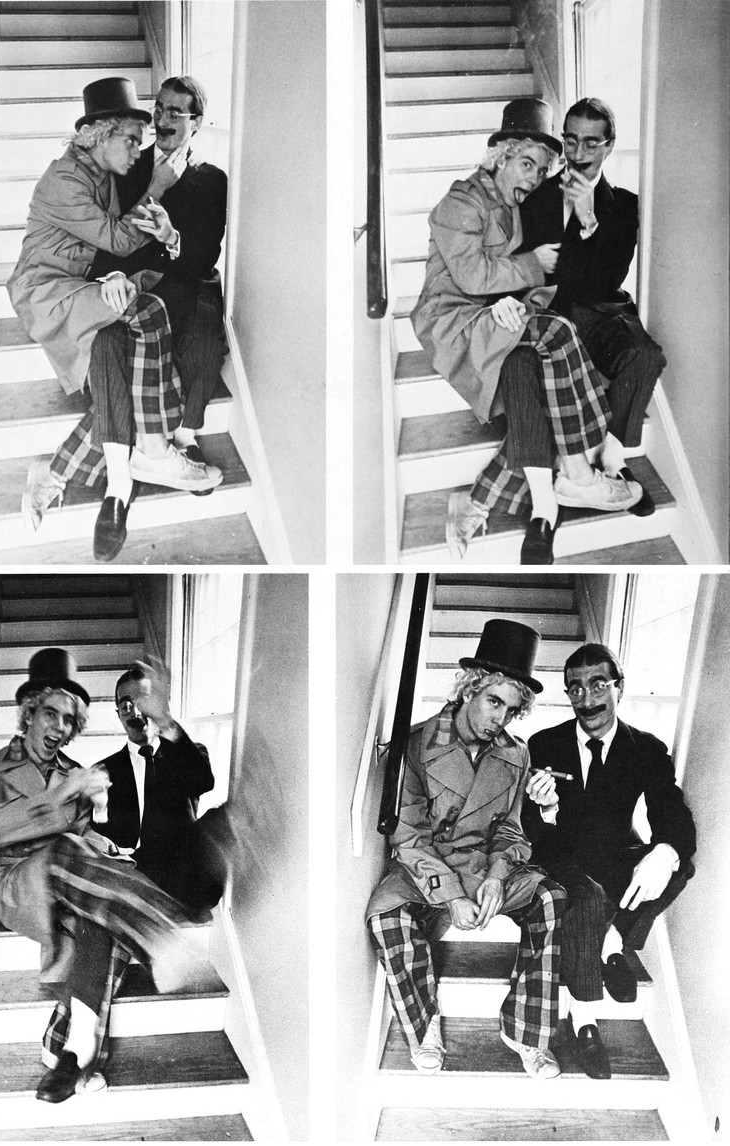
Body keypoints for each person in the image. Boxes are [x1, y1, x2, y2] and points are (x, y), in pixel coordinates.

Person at [411, 98, 642, 567]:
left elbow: (535, 282)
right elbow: (473, 276)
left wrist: (514, 299)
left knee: (538, 375)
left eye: (541, 169)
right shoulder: (461, 202)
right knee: (558, 334)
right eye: (525, 164)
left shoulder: (515, 204)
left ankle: (475, 501)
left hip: (497, 313)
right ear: (501, 157)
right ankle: (578, 472)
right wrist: (527, 271)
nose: (534, 178)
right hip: (454, 320)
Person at [0, 648, 205, 1104]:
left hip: (70, 880)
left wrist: (108, 845)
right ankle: (155, 930)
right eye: (51, 714)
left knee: (99, 910)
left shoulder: (76, 773)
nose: (60, 727)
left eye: (69, 720)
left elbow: (84, 837)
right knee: (72, 858)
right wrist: (65, 795)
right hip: (15, 880)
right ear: (29, 713)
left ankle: (72, 1049)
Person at [7, 76, 220, 561]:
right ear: (100, 135)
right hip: (49, 291)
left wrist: (151, 249)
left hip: (82, 282)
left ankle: (68, 473)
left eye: (143, 138)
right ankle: (153, 452)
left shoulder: (104, 170)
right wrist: (158, 188)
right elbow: (118, 241)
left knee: (139, 330)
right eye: (132, 139)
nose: (139, 146)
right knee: (146, 316)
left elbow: (159, 248)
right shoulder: (67, 180)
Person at [366, 620, 568, 1080]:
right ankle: (423, 1027)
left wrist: (497, 876)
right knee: (385, 916)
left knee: (551, 898)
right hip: (427, 865)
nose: (500, 719)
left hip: (485, 865)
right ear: (469, 688)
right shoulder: (415, 745)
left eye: (511, 710)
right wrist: (453, 897)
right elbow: (408, 836)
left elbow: (512, 831)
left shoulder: (516, 754)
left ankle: (526, 1032)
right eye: (494, 701)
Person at [523, 643, 696, 1078]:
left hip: (613, 855)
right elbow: (525, 827)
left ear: (619, 687)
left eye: (598, 685)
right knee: (585, 900)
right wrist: (546, 810)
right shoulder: (543, 744)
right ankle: (584, 1021)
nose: (587, 699)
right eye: (575, 688)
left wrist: (664, 851)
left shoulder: (646, 748)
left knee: (680, 864)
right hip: (560, 859)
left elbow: (671, 812)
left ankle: (613, 939)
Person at [513, 97, 666, 539]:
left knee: (645, 355)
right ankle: (544, 504)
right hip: (552, 314)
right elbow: (529, 270)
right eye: (570, 141)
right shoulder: (535, 198)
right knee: (521, 367)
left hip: (601, 311)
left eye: (591, 143)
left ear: (609, 145)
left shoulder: (625, 204)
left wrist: (589, 221)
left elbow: (608, 278)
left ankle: (612, 459)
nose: (578, 153)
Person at [90, 75, 228, 490]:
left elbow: (206, 256)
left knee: (205, 338)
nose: (162, 120)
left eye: (175, 112)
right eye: (159, 109)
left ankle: (182, 440)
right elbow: (108, 237)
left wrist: (171, 237)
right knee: (109, 341)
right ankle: (131, 469)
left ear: (196, 122)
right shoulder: (127, 168)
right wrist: (114, 273)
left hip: (186, 284)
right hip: (140, 289)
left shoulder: (212, 179)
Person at [91, 658, 224, 916]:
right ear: (118, 715)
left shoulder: (185, 754)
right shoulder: (104, 770)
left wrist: (165, 719)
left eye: (142, 701)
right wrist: (100, 808)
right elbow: (102, 837)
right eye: (125, 705)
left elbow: (204, 781)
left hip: (180, 875)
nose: (135, 712)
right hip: (131, 874)